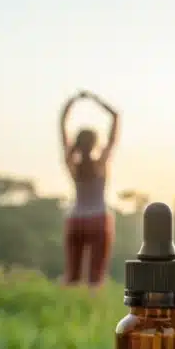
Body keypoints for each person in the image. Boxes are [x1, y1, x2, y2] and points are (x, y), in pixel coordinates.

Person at [60, 90, 119, 287]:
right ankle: (91, 311)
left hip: (75, 219)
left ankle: (64, 309)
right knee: (96, 277)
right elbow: (116, 118)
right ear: (95, 143)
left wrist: (72, 102)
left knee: (72, 276)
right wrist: (96, 99)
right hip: (99, 219)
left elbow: (62, 126)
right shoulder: (101, 164)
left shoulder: (72, 164)